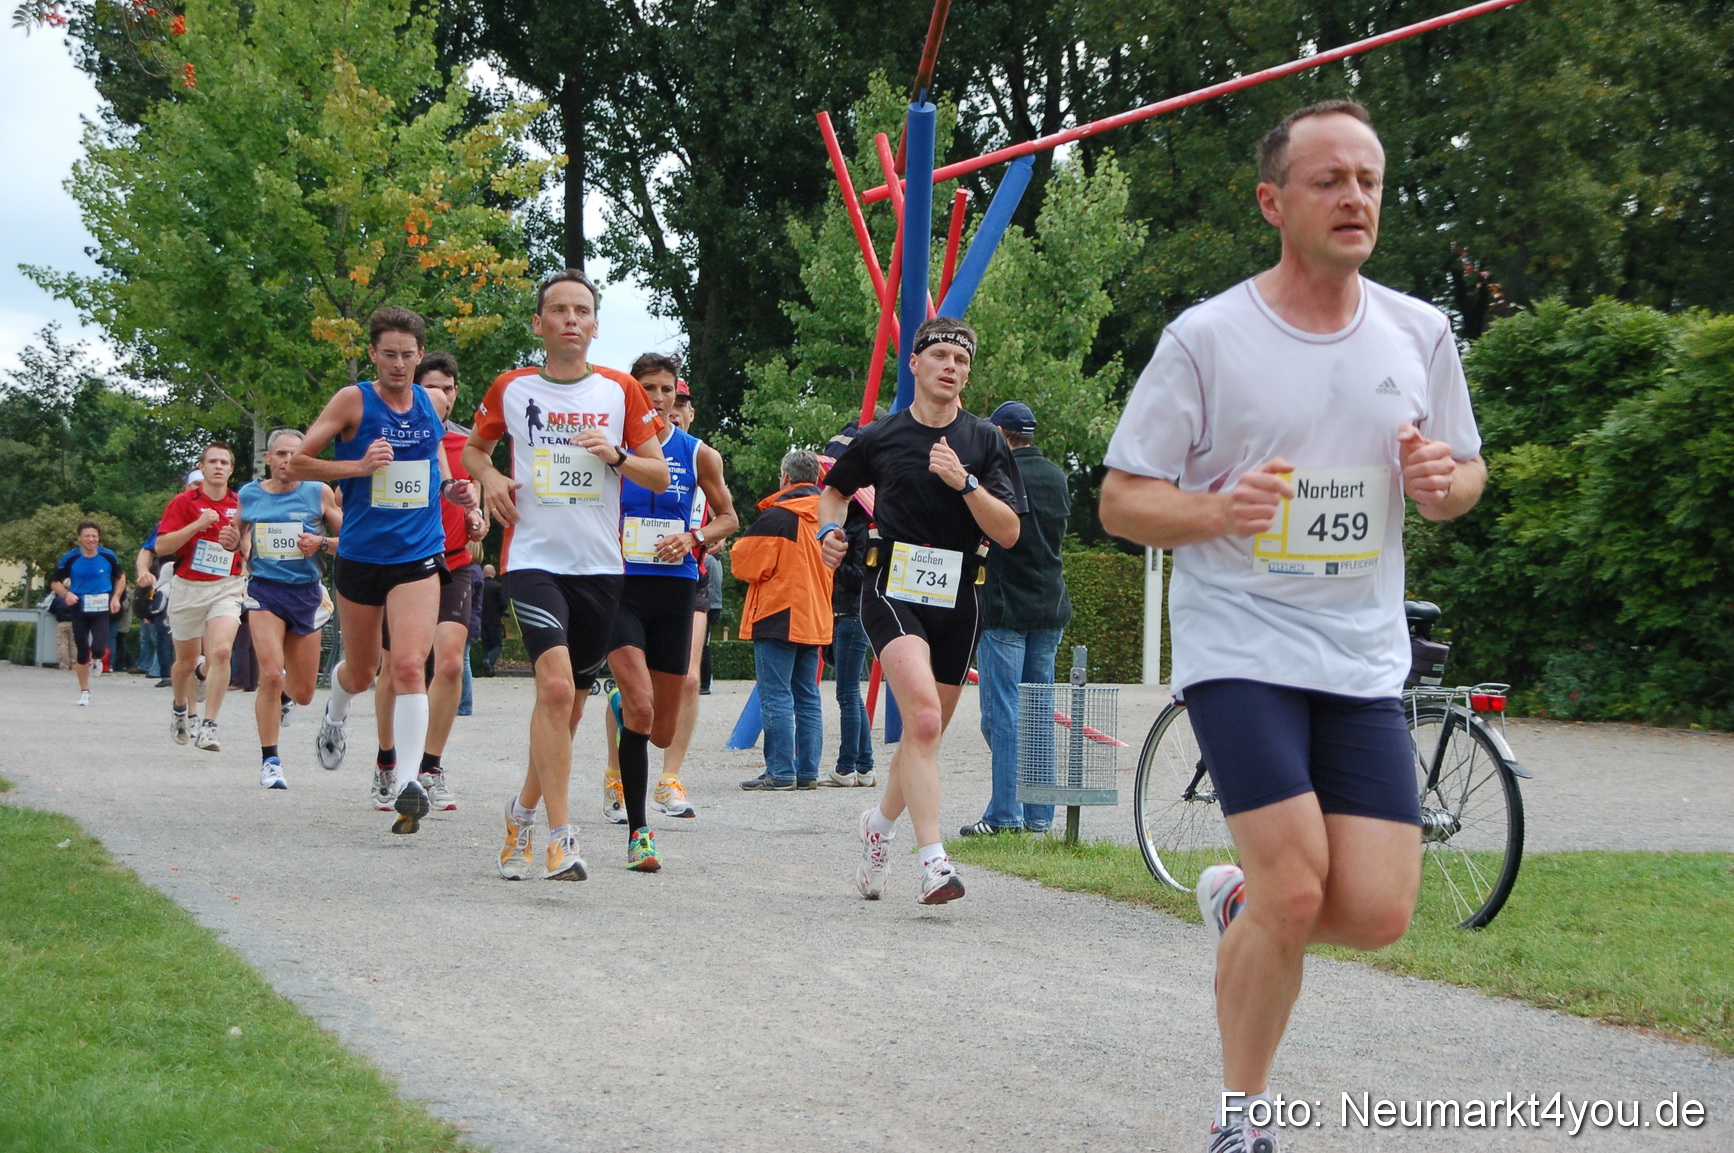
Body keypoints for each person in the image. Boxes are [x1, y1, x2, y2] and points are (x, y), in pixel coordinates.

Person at [1097, 101, 1486, 1153]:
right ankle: (1243, 1118)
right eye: (1330, 179)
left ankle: (1232, 900)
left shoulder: (1419, 331)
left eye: (1369, 178)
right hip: (1241, 645)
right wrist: (1221, 512)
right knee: (1300, 882)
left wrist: (1442, 482)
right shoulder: (1209, 339)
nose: (1355, 196)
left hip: (1360, 653)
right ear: (1275, 202)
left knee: (1376, 911)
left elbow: (1463, 477)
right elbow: (1123, 500)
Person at [466, 269, 668, 880]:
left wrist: (616, 456)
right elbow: (476, 448)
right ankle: (561, 835)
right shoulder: (511, 388)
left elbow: (658, 476)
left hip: (600, 568)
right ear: (540, 323)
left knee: (571, 711)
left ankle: (520, 813)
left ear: (596, 325)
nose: (571, 320)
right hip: (532, 558)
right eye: (558, 310)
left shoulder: (621, 391)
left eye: (582, 310)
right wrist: (493, 478)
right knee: (553, 691)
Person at [818, 317, 1024, 904]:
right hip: (894, 586)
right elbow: (833, 489)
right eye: (939, 356)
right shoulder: (881, 436)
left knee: (921, 734)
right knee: (926, 720)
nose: (950, 367)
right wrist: (829, 531)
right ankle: (934, 862)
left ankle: (877, 827)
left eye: (960, 360)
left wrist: (965, 485)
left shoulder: (984, 441)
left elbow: (1008, 532)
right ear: (914, 364)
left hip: (961, 595)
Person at [291, 306, 479, 835]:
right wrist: (357, 466)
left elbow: (435, 466)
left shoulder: (428, 403)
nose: (399, 364)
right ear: (373, 354)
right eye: (389, 354)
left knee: (408, 666)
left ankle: (406, 783)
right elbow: (298, 463)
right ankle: (334, 715)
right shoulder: (354, 401)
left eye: (408, 355)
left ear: (421, 357)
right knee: (362, 669)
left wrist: (454, 491)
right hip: (360, 555)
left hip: (417, 554)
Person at [615, 370, 738, 819]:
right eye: (648, 388)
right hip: (622, 581)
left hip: (677, 583)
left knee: (661, 728)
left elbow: (729, 517)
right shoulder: (612, 444)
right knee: (637, 697)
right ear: (633, 392)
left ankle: (633, 718)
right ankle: (624, 792)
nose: (659, 397)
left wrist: (694, 539)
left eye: (668, 389)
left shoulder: (699, 453)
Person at [372, 351, 487, 812]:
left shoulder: (468, 447)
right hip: (400, 565)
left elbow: (479, 513)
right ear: (416, 392)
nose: (442, 394)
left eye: (449, 386)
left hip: (455, 564)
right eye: (433, 386)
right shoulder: (388, 438)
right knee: (398, 667)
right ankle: (386, 760)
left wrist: (478, 521)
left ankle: (430, 768)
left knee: (452, 664)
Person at [963, 400, 1072, 836]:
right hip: (1050, 605)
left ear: (1003, 436)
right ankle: (1040, 815)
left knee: (1002, 713)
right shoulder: (1057, 477)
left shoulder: (999, 477)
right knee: (1039, 711)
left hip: (1006, 606)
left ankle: (1004, 815)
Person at [229, 427, 342, 790]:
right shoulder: (249, 494)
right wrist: (232, 540)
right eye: (280, 454)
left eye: (294, 454)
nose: (287, 461)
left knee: (305, 692)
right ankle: (271, 761)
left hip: (306, 594)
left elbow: (353, 541)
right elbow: (235, 534)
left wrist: (321, 542)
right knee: (272, 674)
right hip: (265, 592)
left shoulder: (317, 492)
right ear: (268, 458)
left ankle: (287, 701)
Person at [734, 450, 833, 791]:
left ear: (786, 478)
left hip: (778, 614)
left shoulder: (778, 516)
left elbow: (743, 564)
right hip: (815, 615)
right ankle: (807, 772)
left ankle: (780, 771)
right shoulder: (828, 516)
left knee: (776, 696)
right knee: (807, 696)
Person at [155, 444, 247, 751]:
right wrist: (198, 525)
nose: (218, 466)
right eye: (213, 462)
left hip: (227, 585)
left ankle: (210, 725)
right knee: (187, 661)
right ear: (202, 467)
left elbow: (249, 544)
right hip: (189, 587)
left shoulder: (242, 503)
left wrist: (240, 549)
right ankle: (181, 708)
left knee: (221, 652)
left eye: (224, 462)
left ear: (231, 470)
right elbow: (162, 546)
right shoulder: (183, 503)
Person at [818, 417, 881, 788]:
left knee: (846, 692)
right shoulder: (860, 520)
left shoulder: (859, 524)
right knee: (850, 692)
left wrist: (837, 565)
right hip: (850, 613)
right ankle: (863, 764)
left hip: (853, 613)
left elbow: (863, 573)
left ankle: (848, 765)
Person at [49, 521, 125, 706]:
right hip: (80, 608)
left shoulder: (108, 556)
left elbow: (121, 577)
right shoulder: (71, 558)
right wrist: (66, 594)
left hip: (101, 608)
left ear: (98, 538)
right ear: (79, 538)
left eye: (94, 536)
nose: (91, 539)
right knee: (82, 651)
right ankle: (84, 691)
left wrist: (115, 598)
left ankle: (97, 659)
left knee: (99, 647)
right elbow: (54, 582)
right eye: (87, 536)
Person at [478, 563, 505, 675]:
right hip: (494, 621)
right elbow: (504, 603)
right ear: (494, 573)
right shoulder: (498, 586)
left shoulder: (480, 586)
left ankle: (488, 670)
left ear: (483, 574)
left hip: (481, 620)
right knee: (497, 645)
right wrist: (501, 611)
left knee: (486, 645)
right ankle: (489, 660)